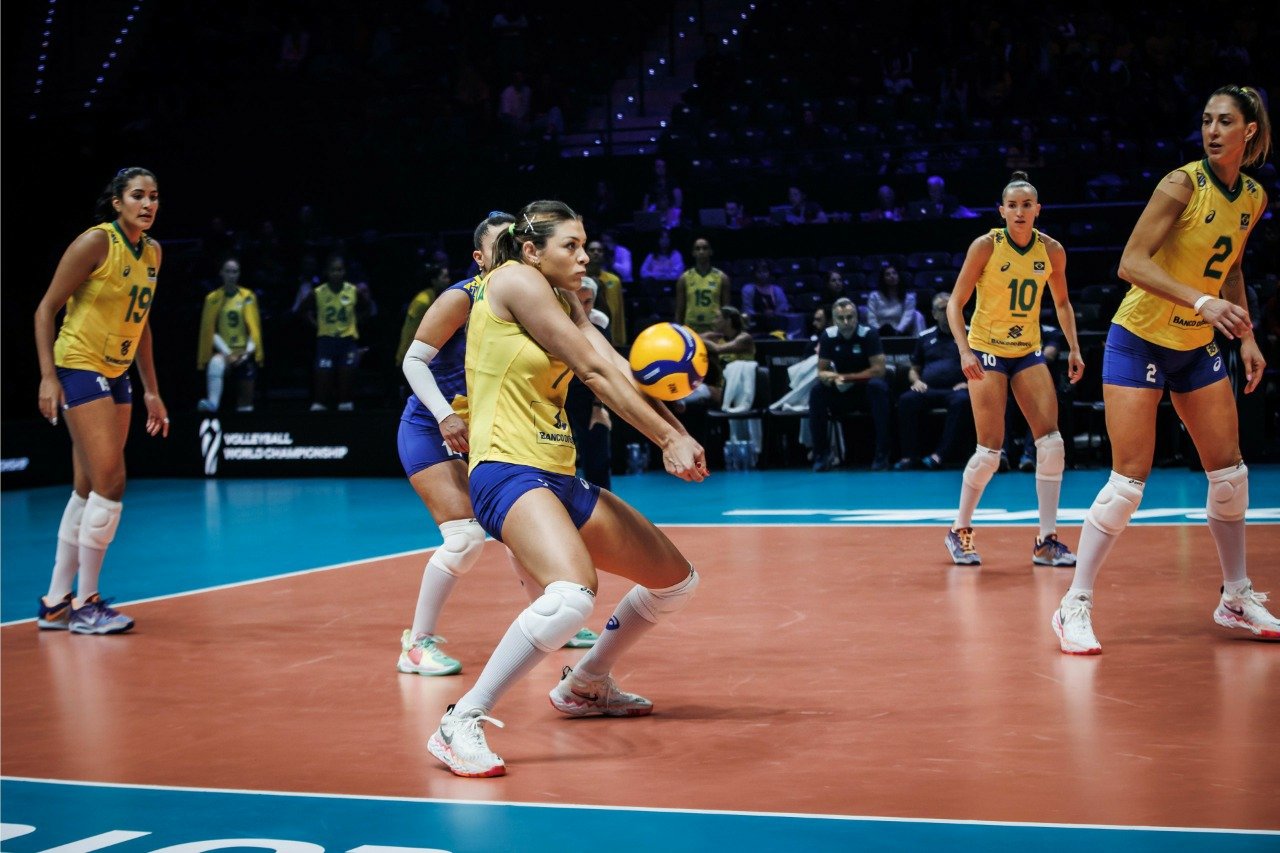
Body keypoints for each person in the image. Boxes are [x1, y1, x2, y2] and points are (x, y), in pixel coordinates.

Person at [427, 200, 706, 778]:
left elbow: (616, 366)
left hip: (556, 473)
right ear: (532, 250)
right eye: (571, 246)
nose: (586, 256)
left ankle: (585, 684)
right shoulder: (516, 281)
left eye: (587, 245)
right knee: (571, 597)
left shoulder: (564, 299)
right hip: (505, 470)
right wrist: (663, 441)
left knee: (675, 582)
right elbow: (593, 374)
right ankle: (461, 720)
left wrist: (680, 432)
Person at [1053, 86, 1278, 655]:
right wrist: (1201, 304)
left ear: (1249, 130)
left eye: (1226, 121)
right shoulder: (1184, 183)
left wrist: (1245, 334)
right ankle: (1073, 605)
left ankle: (1235, 595)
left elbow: (1229, 267)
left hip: (1196, 345)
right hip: (1139, 340)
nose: (1213, 130)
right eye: (1207, 120)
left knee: (1230, 475)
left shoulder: (1252, 195)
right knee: (1128, 484)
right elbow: (1131, 262)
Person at [397, 212, 599, 678]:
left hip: (489, 432)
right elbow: (413, 360)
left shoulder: (529, 298)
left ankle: (554, 619)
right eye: (500, 243)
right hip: (433, 427)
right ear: (479, 257)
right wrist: (445, 415)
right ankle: (417, 643)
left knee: (518, 527)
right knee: (465, 538)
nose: (511, 249)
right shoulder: (462, 297)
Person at [33, 167, 170, 635]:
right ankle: (88, 603)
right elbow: (45, 309)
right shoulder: (96, 243)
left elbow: (143, 322)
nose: (147, 204)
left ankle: (55, 602)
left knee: (87, 486)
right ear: (117, 202)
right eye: (137, 195)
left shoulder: (153, 252)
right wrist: (48, 377)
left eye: (153, 196)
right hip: (78, 364)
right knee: (111, 482)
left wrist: (151, 389)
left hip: (117, 370)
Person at [943, 170, 1085, 569]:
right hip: (987, 350)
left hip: (1027, 350)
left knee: (1052, 443)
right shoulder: (986, 246)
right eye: (1013, 205)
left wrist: (1073, 347)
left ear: (1038, 210)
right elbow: (955, 303)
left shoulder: (1052, 251)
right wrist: (964, 350)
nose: (1020, 212)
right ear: (1001, 210)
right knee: (990, 452)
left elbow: (1062, 303)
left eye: (1027, 205)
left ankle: (1046, 540)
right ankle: (959, 529)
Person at [809, 297, 891, 471]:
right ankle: (821, 455)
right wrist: (831, 377)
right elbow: (821, 370)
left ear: (857, 317)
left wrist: (848, 378)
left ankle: (882, 454)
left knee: (877, 387)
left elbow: (879, 370)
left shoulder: (869, 334)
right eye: (841, 318)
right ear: (834, 320)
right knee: (817, 391)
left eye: (850, 317)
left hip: (866, 394)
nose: (846, 322)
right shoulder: (828, 336)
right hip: (842, 393)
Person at [893, 292, 970, 470]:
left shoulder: (971, 334)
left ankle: (940, 455)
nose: (947, 312)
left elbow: (985, 366)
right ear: (934, 314)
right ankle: (909, 456)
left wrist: (969, 383)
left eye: (951, 307)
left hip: (958, 390)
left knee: (962, 401)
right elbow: (914, 368)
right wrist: (916, 381)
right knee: (906, 400)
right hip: (929, 389)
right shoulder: (925, 336)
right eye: (942, 309)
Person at [304, 254, 372, 411]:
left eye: (340, 270)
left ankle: (346, 412)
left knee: (346, 385)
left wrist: (355, 322)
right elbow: (303, 311)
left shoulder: (353, 291)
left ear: (344, 271)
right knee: (322, 381)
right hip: (326, 342)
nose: (337, 273)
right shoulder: (318, 292)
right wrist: (316, 325)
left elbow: (367, 308)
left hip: (347, 342)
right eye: (333, 270)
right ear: (327, 272)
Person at [197, 257, 264, 413]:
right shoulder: (212, 298)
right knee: (215, 363)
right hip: (224, 352)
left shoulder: (248, 296)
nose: (231, 275)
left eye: (235, 272)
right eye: (228, 271)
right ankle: (212, 404)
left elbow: (254, 330)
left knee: (246, 403)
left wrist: (246, 353)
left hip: (244, 352)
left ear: (239, 274)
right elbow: (210, 331)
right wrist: (228, 354)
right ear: (221, 273)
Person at [395, 262, 451, 368]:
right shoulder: (423, 301)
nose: (448, 280)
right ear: (434, 281)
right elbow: (409, 330)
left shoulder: (433, 296)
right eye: (444, 277)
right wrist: (403, 356)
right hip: (410, 356)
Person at [674, 237, 731, 334]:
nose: (701, 251)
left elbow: (726, 309)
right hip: (691, 328)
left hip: (714, 328)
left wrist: (725, 330)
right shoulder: (684, 278)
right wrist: (679, 333)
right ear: (693, 253)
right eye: (697, 248)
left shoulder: (722, 277)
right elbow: (679, 310)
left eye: (705, 248)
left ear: (710, 252)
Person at [585, 239, 627, 346]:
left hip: (609, 335)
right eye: (592, 250)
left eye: (600, 250)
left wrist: (619, 340)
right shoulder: (577, 280)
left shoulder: (614, 281)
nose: (596, 253)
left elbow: (618, 314)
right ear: (586, 253)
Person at [866, 263, 925, 337]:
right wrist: (877, 331)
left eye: (894, 273)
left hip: (900, 332)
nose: (892, 276)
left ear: (899, 276)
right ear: (883, 279)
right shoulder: (874, 296)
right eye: (888, 274)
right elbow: (871, 318)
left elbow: (907, 317)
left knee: (917, 315)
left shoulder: (909, 298)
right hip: (879, 332)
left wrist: (897, 331)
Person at [740, 261, 791, 336]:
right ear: (754, 273)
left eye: (765, 271)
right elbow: (747, 310)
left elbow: (783, 308)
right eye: (759, 272)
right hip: (755, 324)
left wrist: (773, 314)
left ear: (769, 273)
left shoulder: (777, 290)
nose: (762, 274)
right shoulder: (748, 289)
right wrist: (762, 315)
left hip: (774, 324)